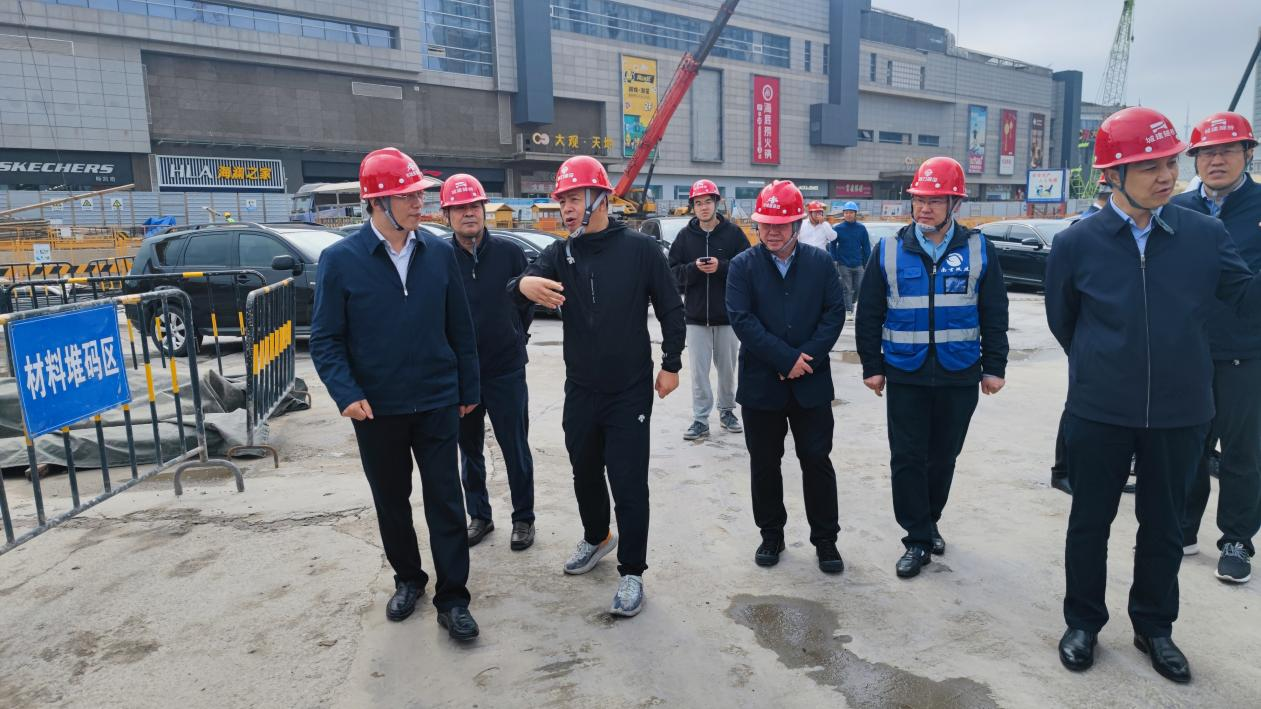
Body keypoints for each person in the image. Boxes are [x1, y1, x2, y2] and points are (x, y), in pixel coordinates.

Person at [1046, 107, 1261, 683]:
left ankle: (1154, 627)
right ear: (1112, 175)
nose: (1167, 176)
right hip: (1100, 409)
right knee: (1089, 521)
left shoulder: (1204, 235)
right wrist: (1105, 365)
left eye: (1170, 163)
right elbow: (1065, 322)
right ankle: (1083, 622)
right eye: (1150, 166)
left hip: (1180, 409)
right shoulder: (1076, 243)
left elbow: (1246, 300)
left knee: (1164, 526)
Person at [310, 147, 480, 641]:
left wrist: (468, 386)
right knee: (391, 500)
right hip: (376, 408)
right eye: (407, 196)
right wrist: (345, 392)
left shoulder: (439, 254)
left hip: (437, 400)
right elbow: (326, 338)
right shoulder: (341, 261)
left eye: (419, 194)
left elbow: (460, 327)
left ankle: (454, 598)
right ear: (377, 202)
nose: (419, 203)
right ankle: (409, 579)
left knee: (446, 500)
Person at [510, 155, 685, 618]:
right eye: (562, 201)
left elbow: (671, 308)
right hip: (581, 388)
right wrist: (524, 286)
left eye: (573, 199)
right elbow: (520, 282)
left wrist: (671, 363)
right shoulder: (561, 253)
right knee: (584, 470)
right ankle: (597, 537)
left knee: (628, 480)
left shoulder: (641, 250)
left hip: (629, 389)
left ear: (600, 198)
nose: (566, 209)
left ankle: (632, 571)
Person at [855, 156, 1009, 579]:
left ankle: (930, 519)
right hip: (905, 371)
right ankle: (917, 538)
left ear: (954, 203)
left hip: (960, 370)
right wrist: (872, 366)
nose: (924, 208)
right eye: (919, 199)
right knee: (907, 457)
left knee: (943, 456)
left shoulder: (979, 249)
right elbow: (868, 313)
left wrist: (995, 366)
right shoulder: (888, 249)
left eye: (935, 201)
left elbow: (995, 311)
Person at [726, 180, 847, 573]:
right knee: (764, 462)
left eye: (780, 225)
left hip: (811, 381)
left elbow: (834, 313)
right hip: (762, 385)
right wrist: (784, 359)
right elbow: (742, 320)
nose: (772, 232)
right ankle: (771, 534)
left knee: (816, 460)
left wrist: (805, 358)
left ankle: (825, 539)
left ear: (797, 224)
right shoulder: (743, 266)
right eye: (765, 224)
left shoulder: (820, 263)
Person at [1174, 111, 1260, 585]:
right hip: (1187, 350)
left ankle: (1236, 540)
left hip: (1246, 351)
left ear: (1248, 154)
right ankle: (1182, 528)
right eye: (1207, 153)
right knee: (1186, 444)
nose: (1217, 160)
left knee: (1242, 452)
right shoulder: (1178, 208)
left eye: (1227, 150)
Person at [441, 173, 537, 552]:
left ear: (484, 210)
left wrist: (515, 336)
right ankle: (479, 515)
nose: (469, 213)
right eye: (460, 208)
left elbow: (525, 304)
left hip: (506, 369)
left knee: (515, 446)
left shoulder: (511, 253)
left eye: (474, 206)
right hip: (462, 375)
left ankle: (524, 518)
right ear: (446, 214)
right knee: (469, 450)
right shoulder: (440, 259)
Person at [668, 178, 750, 441]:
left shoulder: (733, 234)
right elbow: (672, 273)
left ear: (717, 203)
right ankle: (701, 419)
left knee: (727, 369)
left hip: (727, 316)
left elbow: (748, 267)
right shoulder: (684, 237)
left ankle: (727, 411)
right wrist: (693, 269)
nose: (703, 207)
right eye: (698, 203)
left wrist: (721, 267)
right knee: (699, 373)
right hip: (695, 317)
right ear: (692, 206)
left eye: (708, 202)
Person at [829, 201, 871, 313]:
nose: (848, 214)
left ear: (855, 213)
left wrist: (868, 262)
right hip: (843, 263)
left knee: (859, 287)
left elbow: (866, 247)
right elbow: (832, 245)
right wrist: (834, 259)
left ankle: (851, 302)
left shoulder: (861, 228)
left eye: (851, 212)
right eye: (846, 212)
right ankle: (848, 311)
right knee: (847, 288)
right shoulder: (838, 228)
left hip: (858, 263)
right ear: (843, 214)